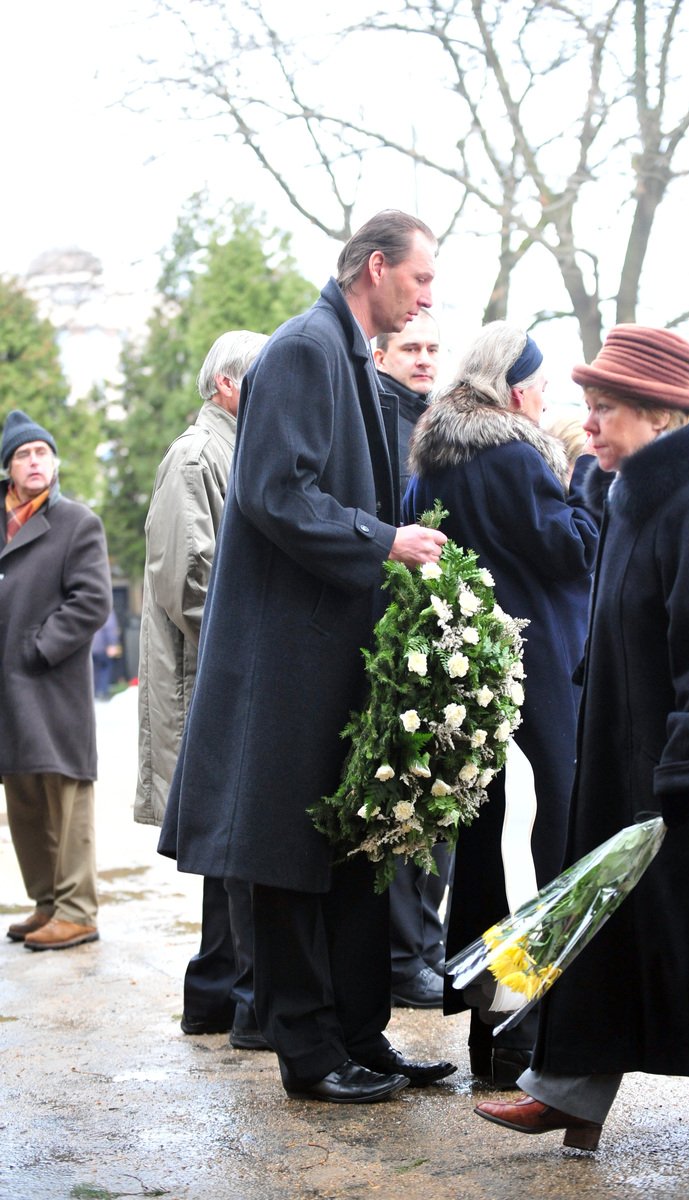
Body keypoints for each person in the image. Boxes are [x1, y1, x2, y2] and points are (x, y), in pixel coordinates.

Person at [474, 324, 689, 1151]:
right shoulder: (637, 494)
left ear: (659, 417)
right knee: (611, 924)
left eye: (606, 409)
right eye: (587, 406)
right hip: (638, 762)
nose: (588, 425)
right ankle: (570, 1091)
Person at [159, 210, 456, 1104]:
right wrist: (382, 540)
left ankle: (361, 1039)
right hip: (290, 661)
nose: (429, 296)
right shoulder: (301, 348)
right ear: (375, 267)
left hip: (332, 657)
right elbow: (271, 492)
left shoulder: (345, 350)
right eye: (421, 279)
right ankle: (308, 1055)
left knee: (354, 852)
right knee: (290, 861)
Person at [404, 321, 600, 1086]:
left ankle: (492, 1033)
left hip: (468, 681)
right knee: (543, 846)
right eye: (542, 384)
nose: (547, 397)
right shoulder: (519, 458)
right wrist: (580, 478)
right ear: (516, 389)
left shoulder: (430, 466)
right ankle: (530, 1026)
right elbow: (573, 548)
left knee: (488, 849)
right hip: (539, 672)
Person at [135, 330, 269, 1051]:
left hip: (219, 670)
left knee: (228, 852)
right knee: (234, 845)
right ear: (226, 386)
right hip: (204, 676)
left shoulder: (233, 448)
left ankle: (216, 996)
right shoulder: (196, 456)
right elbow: (189, 580)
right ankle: (237, 1001)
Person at [1, 409, 112, 950]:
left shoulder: (76, 522)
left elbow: (92, 601)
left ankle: (77, 909)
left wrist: (38, 648)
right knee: (23, 797)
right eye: (23, 454)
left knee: (66, 797)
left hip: (51, 684)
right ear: (9, 469)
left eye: (42, 451)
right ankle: (46, 902)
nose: (34, 461)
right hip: (7, 690)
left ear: (55, 462)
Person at [373, 310, 453, 1009]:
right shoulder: (379, 425)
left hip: (441, 639)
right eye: (411, 347)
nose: (424, 358)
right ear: (380, 354)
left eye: (433, 348)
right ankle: (405, 956)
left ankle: (427, 946)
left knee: (443, 794)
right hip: (392, 642)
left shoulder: (438, 427)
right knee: (405, 797)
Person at [91, 608, 122, 700]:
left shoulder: (88, 608)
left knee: (92, 670)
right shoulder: (106, 609)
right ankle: (102, 692)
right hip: (102, 647)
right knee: (105, 668)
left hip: (89, 647)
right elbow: (110, 627)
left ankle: (93, 693)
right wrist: (112, 644)